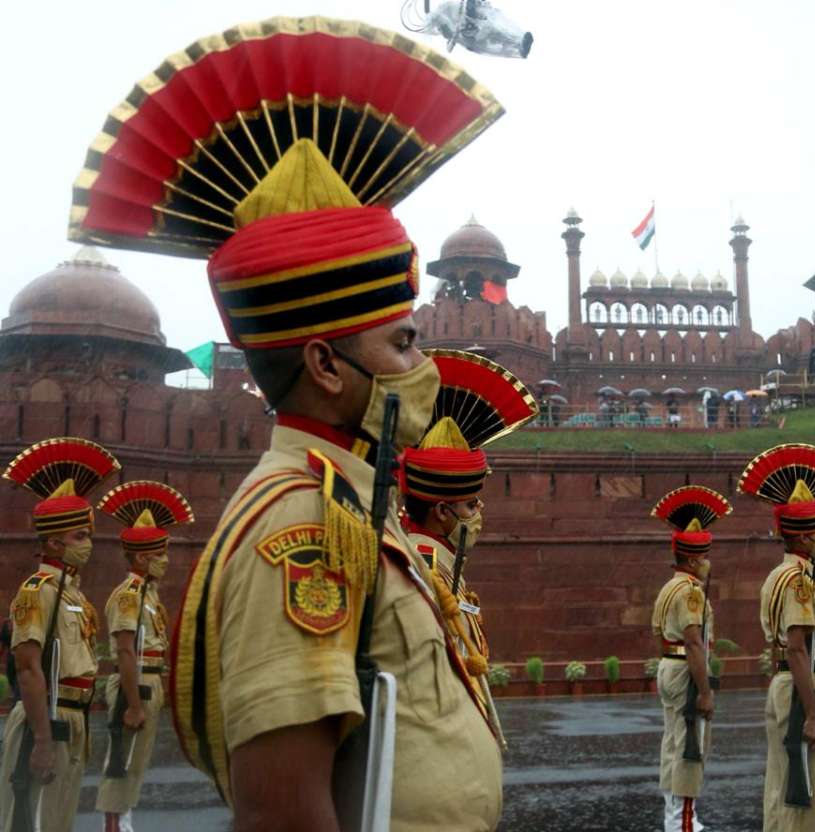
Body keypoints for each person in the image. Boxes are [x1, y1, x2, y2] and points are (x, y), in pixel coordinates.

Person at [69, 16, 508, 828]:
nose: (423, 368)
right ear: (326, 365)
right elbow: (284, 808)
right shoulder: (306, 524)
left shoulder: (349, 504)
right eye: (403, 342)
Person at [399, 348, 538, 748]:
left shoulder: (437, 563)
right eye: (471, 505)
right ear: (443, 512)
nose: (479, 513)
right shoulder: (420, 567)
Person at [0, 437, 120, 832]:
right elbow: (30, 670)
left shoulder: (73, 594)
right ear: (53, 542)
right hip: (47, 719)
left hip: (74, 719)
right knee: (30, 821)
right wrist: (41, 740)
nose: (89, 545)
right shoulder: (37, 591)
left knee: (56, 822)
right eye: (79, 538)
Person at [739, 443, 815, 832]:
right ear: (804, 538)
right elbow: (798, 648)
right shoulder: (799, 582)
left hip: (785, 683)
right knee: (800, 788)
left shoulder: (777, 576)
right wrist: (814, 713)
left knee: (782, 782)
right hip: (800, 686)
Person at [94, 481, 194, 832]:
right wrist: (133, 704)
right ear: (140, 558)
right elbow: (124, 650)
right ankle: (115, 824)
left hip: (148, 680)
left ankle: (124, 820)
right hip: (133, 683)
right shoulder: (129, 596)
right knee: (122, 758)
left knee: (136, 761)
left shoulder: (147, 595)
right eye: (159, 554)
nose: (166, 560)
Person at [649, 486, 732, 832]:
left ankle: (678, 818)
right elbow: (695, 643)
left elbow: (658, 632)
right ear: (695, 559)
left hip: (669, 664)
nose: (709, 562)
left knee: (674, 743)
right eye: (706, 556)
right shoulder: (691, 592)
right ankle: (682, 822)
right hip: (685, 669)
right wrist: (705, 691)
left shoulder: (670, 587)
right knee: (689, 746)